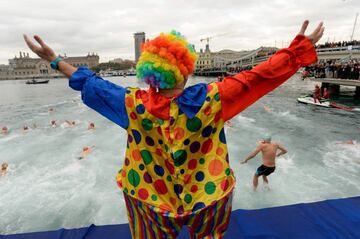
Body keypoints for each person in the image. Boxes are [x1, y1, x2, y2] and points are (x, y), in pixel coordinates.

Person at [24, 20, 323, 239]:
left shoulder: (132, 104)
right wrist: (297, 51)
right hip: (209, 194)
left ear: (149, 74)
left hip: (148, 197)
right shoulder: (214, 98)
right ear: (187, 68)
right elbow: (258, 77)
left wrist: (55, 59)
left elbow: (93, 85)